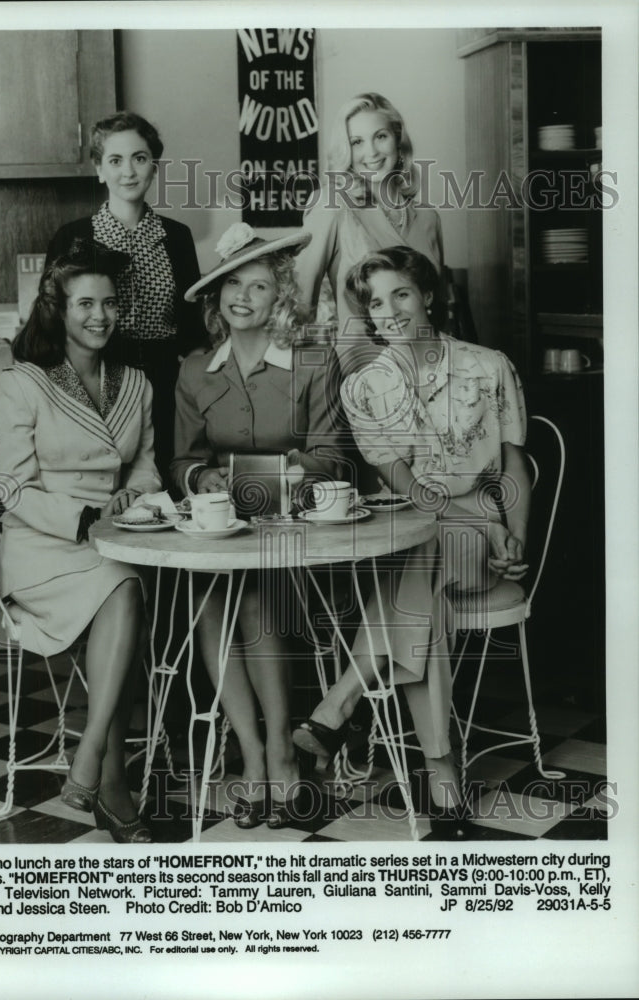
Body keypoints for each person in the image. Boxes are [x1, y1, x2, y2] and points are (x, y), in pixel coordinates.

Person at [293, 246, 530, 836]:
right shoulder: (365, 388)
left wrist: (515, 534)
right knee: (425, 592)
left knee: (419, 572)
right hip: (427, 531)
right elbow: (404, 484)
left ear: (428, 294)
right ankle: (439, 764)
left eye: (401, 293)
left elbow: (514, 464)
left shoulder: (487, 365)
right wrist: (457, 513)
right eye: (375, 301)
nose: (389, 310)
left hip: (484, 526)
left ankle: (338, 704)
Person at [172, 223, 347, 829]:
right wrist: (202, 481)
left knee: (250, 597)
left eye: (258, 286)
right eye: (230, 285)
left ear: (281, 299)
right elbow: (183, 459)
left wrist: (263, 476)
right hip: (222, 533)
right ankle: (253, 754)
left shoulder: (313, 364)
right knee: (210, 599)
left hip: (295, 535)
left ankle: (278, 748)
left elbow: (331, 454)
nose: (241, 297)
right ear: (217, 299)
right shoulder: (196, 371)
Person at [0, 244, 162, 844]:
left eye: (110, 302)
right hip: (42, 546)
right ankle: (107, 783)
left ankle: (92, 761)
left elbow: (145, 470)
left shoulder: (136, 383)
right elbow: (11, 487)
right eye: (85, 303)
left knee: (121, 583)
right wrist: (87, 513)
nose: (100, 315)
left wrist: (131, 500)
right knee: (122, 589)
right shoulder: (23, 382)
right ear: (58, 310)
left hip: (112, 541)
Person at [47, 111, 206, 480]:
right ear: (99, 169)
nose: (129, 171)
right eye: (115, 161)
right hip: (94, 382)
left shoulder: (177, 237)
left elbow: (193, 331)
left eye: (139, 158)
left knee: (165, 486)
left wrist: (189, 390)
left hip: (166, 385)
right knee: (104, 490)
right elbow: (53, 327)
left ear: (154, 166)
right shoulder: (71, 238)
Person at [294, 93, 444, 372]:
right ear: (346, 151)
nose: (371, 152)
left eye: (381, 136)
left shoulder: (428, 218)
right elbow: (298, 303)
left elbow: (437, 309)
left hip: (428, 368)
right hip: (363, 372)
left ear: (399, 141)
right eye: (357, 141)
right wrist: (305, 381)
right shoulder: (333, 206)